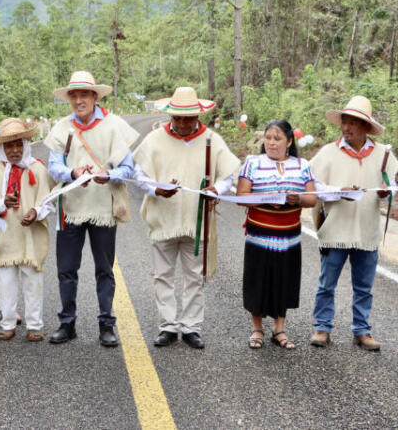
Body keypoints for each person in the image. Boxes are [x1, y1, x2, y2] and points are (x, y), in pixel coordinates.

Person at [133, 87, 240, 349]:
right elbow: (139, 174)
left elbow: (229, 175)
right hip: (163, 218)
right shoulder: (155, 139)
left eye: (188, 118)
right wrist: (156, 189)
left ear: (198, 116)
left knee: (195, 276)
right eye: (177, 117)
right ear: (170, 114)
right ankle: (167, 325)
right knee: (162, 275)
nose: (182, 123)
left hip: (196, 219)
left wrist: (217, 189)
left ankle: (191, 326)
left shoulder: (212, 140)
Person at [44, 71, 138, 346]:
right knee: (66, 269)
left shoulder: (113, 126)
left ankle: (106, 324)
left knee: (104, 269)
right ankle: (67, 323)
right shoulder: (62, 127)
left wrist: (107, 175)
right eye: (74, 95)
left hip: (102, 208)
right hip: (71, 207)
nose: (78, 100)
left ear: (95, 96)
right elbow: (54, 166)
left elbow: (127, 168)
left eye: (84, 94)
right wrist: (73, 173)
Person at [309, 96, 397, 351]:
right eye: (344, 123)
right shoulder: (328, 152)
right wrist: (338, 192)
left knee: (364, 286)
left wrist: (386, 192)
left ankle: (362, 330)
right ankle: (322, 327)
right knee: (327, 283)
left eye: (353, 124)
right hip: (336, 229)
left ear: (366, 127)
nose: (346, 128)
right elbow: (311, 185)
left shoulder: (384, 155)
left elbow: (393, 185)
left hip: (366, 231)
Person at [0, 118, 54, 341]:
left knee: (33, 282)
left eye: (19, 144)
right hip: (4, 238)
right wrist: (2, 203)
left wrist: (36, 213)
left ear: (26, 145)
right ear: (1, 148)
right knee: (5, 283)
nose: (15, 150)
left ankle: (35, 326)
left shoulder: (37, 168)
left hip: (30, 236)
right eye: (9, 145)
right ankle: (7, 323)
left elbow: (48, 202)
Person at [237, 119, 317, 350]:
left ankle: (279, 329)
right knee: (257, 279)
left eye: (277, 138)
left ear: (289, 141)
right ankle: (257, 329)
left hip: (289, 237)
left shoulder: (302, 165)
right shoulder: (252, 163)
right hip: (259, 234)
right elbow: (241, 195)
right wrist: (267, 197)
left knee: (284, 279)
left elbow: (312, 198)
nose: (271, 143)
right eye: (268, 138)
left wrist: (297, 199)